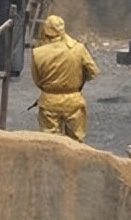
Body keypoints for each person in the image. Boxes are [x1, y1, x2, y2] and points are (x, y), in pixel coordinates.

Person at [30, 15, 100, 143]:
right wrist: (78, 78)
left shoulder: (37, 53)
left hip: (49, 101)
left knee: (50, 142)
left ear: (46, 31)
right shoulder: (78, 48)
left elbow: (37, 80)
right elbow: (93, 72)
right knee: (76, 143)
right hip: (73, 101)